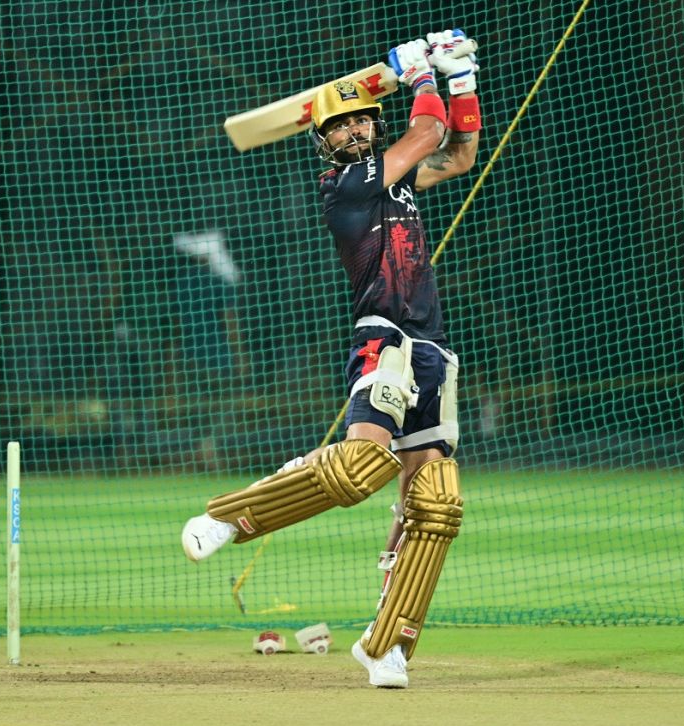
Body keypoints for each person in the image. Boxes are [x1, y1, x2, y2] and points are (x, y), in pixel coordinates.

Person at [181, 30, 481, 689]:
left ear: (372, 122)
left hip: (431, 348)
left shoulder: (397, 180)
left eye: (358, 119)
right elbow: (426, 136)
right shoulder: (346, 186)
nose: (351, 130)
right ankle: (230, 516)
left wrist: (460, 80)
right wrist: (419, 75)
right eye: (338, 125)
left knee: (436, 503)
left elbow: (457, 154)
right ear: (325, 140)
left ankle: (386, 644)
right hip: (383, 338)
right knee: (361, 464)